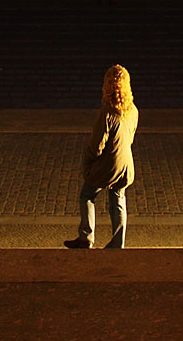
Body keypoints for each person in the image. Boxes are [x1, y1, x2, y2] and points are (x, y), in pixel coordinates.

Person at [64, 65, 139, 249]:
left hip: (107, 166)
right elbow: (130, 137)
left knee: (87, 195)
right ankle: (117, 242)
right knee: (118, 199)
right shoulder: (132, 110)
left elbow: (97, 146)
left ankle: (86, 236)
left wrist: (88, 164)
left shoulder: (107, 114)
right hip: (126, 164)